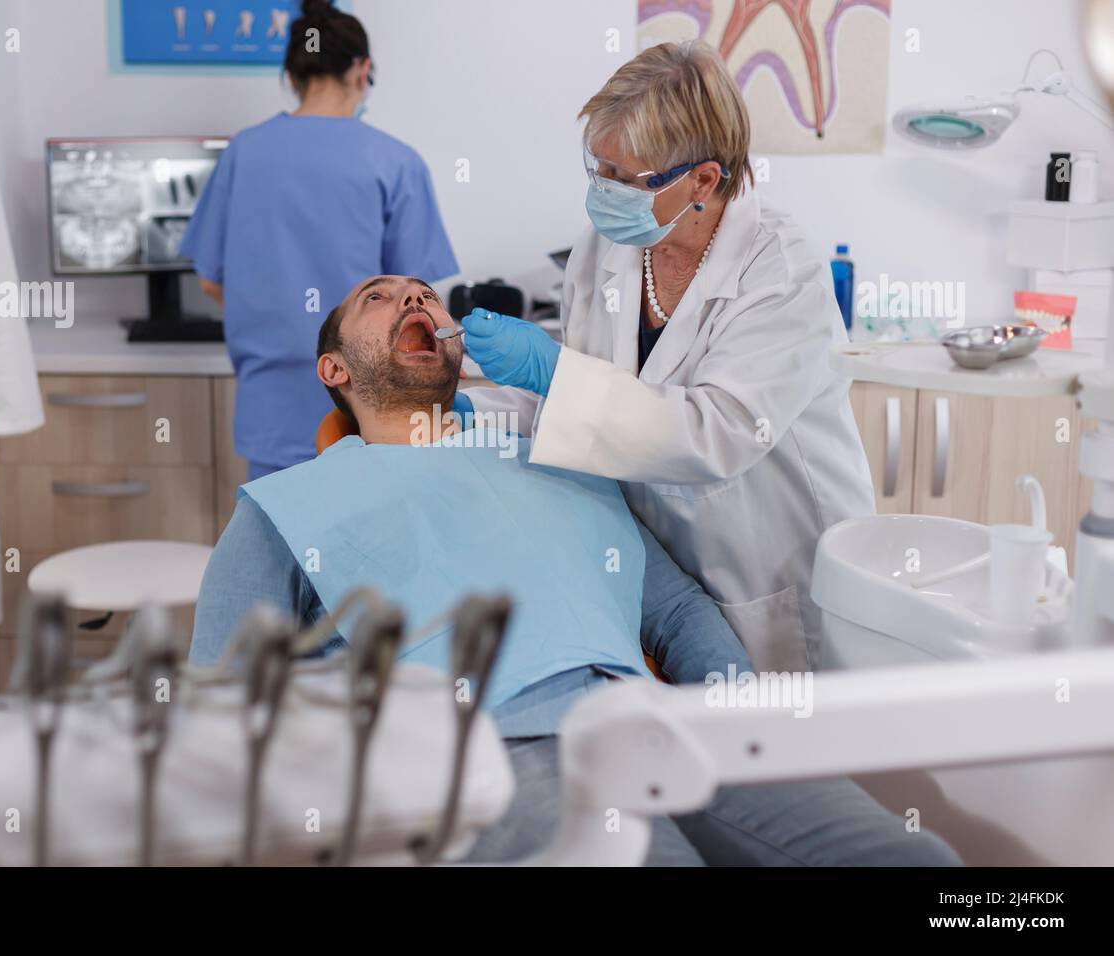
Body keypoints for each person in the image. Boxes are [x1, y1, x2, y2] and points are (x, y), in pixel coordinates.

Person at [190, 274, 960, 866]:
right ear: (333, 367)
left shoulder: (556, 458)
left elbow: (678, 613)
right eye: (379, 298)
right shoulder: (287, 506)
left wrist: (739, 718)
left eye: (421, 291)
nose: (412, 297)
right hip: (487, 754)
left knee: (920, 862)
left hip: (654, 722)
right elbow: (217, 709)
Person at [455, 41, 875, 674]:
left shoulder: (781, 272)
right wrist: (477, 406)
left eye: (627, 178)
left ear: (704, 179)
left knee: (780, 752)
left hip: (771, 572)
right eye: (599, 169)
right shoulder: (607, 247)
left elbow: (718, 434)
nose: (605, 191)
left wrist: (550, 370)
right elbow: (582, 390)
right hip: (665, 576)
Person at [180, 0, 457, 480]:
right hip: (367, 407)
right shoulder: (394, 161)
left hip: (271, 408)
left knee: (277, 546)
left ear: (291, 75)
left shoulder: (244, 151)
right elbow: (413, 302)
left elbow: (212, 283)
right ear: (362, 70)